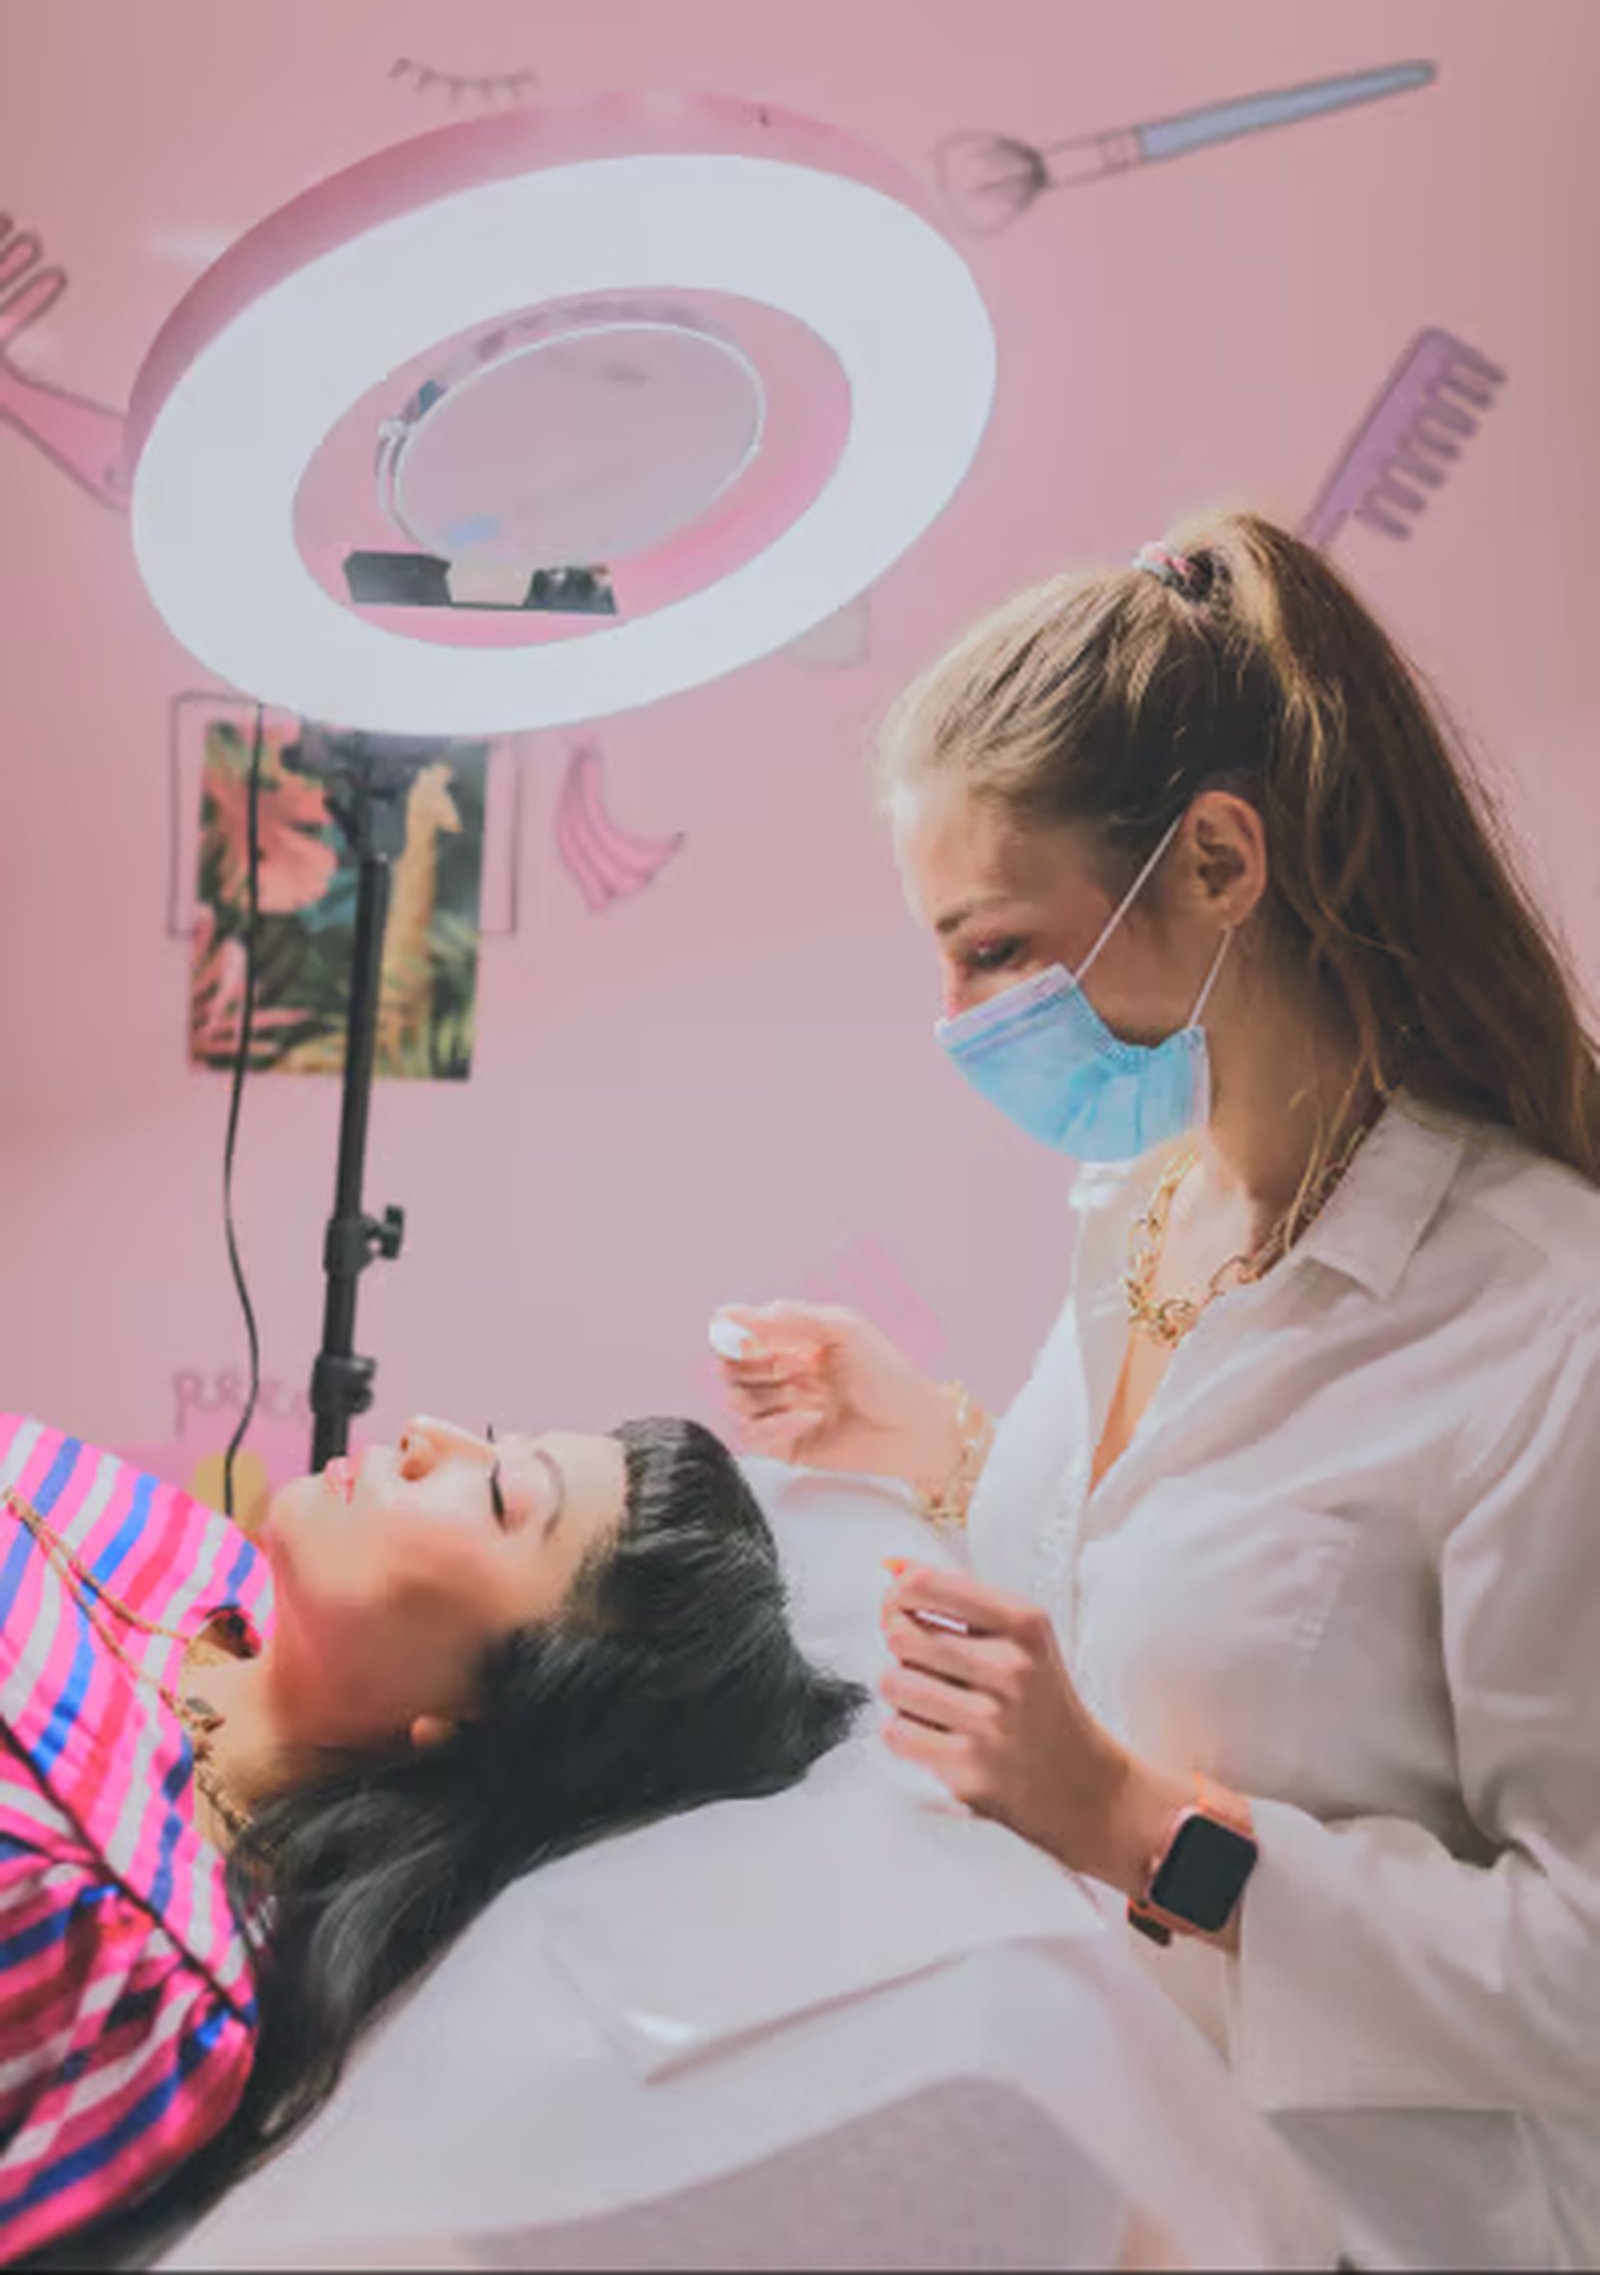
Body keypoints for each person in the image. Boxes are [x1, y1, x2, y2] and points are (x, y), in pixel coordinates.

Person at [714, 510, 1600, 2273]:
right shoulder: (1156, 1210)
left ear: (1215, 859)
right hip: (1112, 2173)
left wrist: (1128, 1824)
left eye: (997, 950)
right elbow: (1211, 1590)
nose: (958, 1015)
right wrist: (942, 1448)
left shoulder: (1538, 1326)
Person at [0, 1408, 862, 2266]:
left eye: (497, 1493)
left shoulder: (131, 1950)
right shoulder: (201, 1557)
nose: (425, 1434)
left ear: (490, 1711)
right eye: (496, 1434)